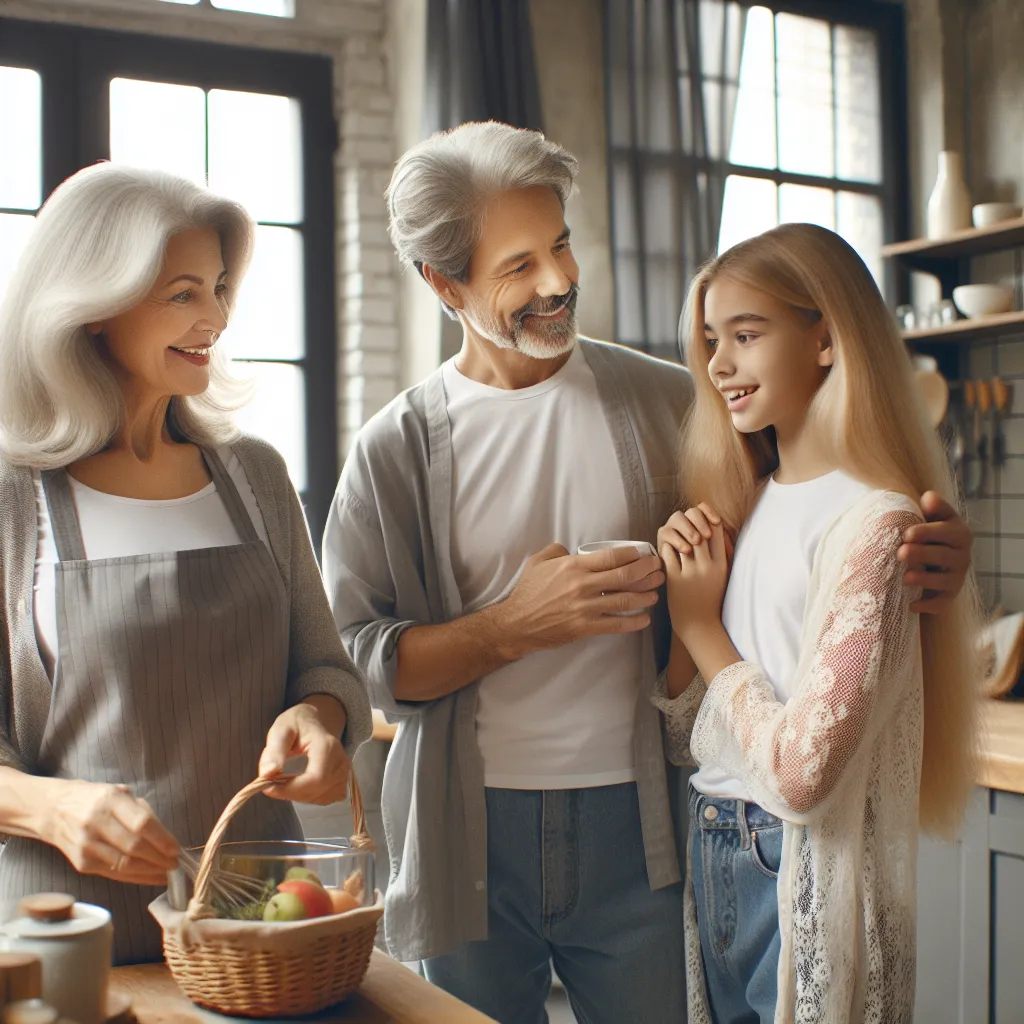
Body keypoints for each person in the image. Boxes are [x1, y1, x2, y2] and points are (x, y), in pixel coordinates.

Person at [323, 122, 973, 1024]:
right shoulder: (394, 449)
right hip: (469, 839)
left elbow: (818, 511)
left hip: (656, 835)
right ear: (444, 285)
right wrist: (516, 624)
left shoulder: (673, 403)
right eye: (517, 266)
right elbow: (357, 665)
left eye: (559, 245)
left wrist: (933, 559)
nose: (558, 281)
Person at [0, 164, 372, 964]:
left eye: (219, 286)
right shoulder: (13, 499)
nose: (216, 316)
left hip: (258, 929)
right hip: (64, 942)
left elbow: (327, 669)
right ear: (95, 308)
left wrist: (318, 718)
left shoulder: (254, 476)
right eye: (183, 292)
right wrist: (49, 807)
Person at [653, 222, 980, 1024]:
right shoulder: (751, 500)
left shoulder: (878, 524)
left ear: (826, 339)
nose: (718, 364)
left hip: (796, 863)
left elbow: (802, 776)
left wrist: (699, 629)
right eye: (708, 340)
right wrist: (683, 628)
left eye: (746, 334)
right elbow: (688, 736)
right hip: (716, 843)